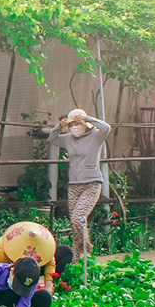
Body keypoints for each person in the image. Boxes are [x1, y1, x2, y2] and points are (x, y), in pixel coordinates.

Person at [48, 108, 111, 262]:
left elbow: (106, 127)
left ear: (84, 124)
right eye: (72, 124)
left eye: (78, 123)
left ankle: (87, 246)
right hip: (74, 184)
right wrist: (60, 125)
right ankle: (76, 260)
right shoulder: (68, 138)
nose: (75, 127)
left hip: (92, 183)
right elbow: (52, 138)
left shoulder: (96, 135)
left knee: (78, 219)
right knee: (74, 223)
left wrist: (87, 117)